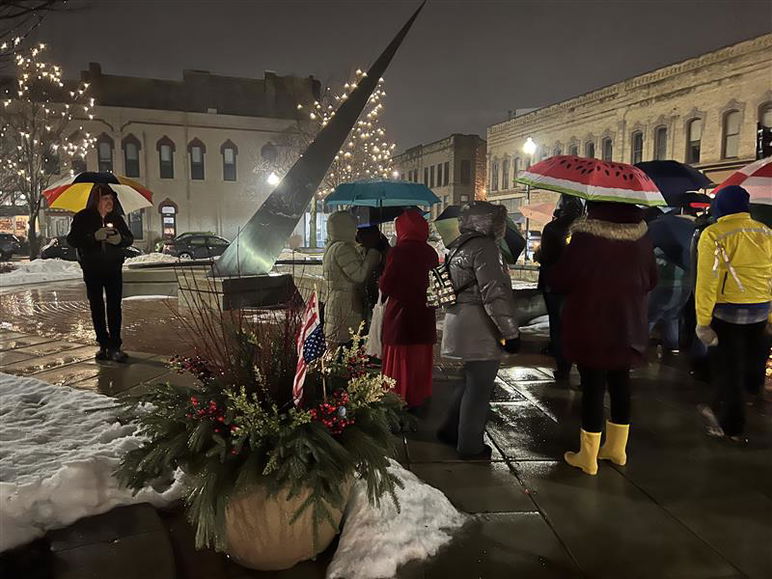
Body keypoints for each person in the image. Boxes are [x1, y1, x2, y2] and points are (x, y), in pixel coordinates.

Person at [550, 201, 657, 475]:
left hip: (591, 322)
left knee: (593, 387)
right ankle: (617, 449)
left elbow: (561, 280)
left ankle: (588, 456)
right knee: (621, 383)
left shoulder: (586, 238)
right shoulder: (642, 238)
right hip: (628, 323)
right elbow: (652, 279)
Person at [438, 201, 520, 460]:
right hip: (480, 326)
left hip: (458, 320)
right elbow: (494, 294)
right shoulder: (485, 248)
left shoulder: (457, 246)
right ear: (489, 222)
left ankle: (451, 430)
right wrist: (510, 332)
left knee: (469, 380)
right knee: (480, 388)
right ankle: (470, 445)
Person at [694, 186, 772, 441]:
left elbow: (707, 281)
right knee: (747, 365)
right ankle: (717, 407)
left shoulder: (714, 234)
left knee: (730, 368)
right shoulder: (766, 232)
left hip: (728, 311)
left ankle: (732, 427)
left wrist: (703, 322)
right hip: (760, 309)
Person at [66, 184, 134, 362]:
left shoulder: (117, 218)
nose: (109, 202)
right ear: (97, 199)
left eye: (111, 198)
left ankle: (115, 346)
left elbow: (129, 238)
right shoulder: (83, 217)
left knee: (114, 307)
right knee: (96, 307)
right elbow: (72, 240)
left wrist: (120, 239)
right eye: (105, 198)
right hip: (92, 269)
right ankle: (103, 345)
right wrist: (93, 236)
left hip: (113, 269)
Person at [379, 210, 439, 409]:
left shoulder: (397, 252)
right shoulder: (431, 252)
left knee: (400, 356)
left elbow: (387, 285)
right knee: (419, 357)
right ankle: (418, 394)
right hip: (424, 314)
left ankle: (397, 394)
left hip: (400, 315)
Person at [535, 195, 584, 379]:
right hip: (576, 284)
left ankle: (562, 364)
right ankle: (580, 365)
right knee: (577, 324)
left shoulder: (551, 228)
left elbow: (546, 256)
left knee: (557, 324)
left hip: (553, 284)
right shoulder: (583, 230)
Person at [322, 211, 380, 348]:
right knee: (347, 345)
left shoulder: (332, 247)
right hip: (347, 304)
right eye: (352, 226)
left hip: (337, 301)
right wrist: (372, 256)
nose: (356, 230)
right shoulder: (343, 248)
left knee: (336, 346)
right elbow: (359, 275)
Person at [356, 224, 390, 326]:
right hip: (375, 293)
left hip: (377, 294)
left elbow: (363, 274)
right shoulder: (378, 247)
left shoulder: (375, 252)